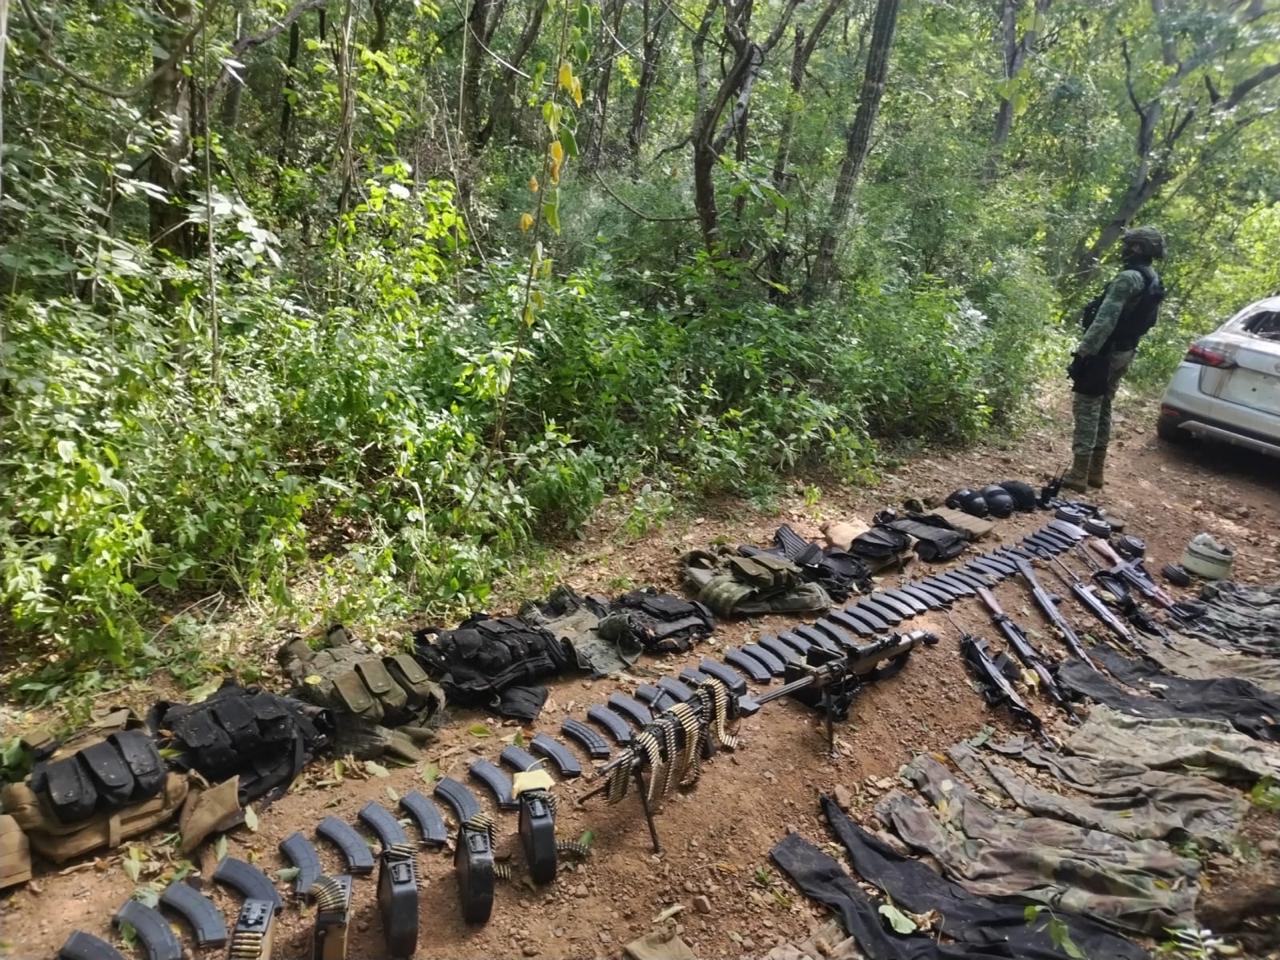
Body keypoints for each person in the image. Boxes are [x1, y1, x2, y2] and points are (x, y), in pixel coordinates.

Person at [1064, 226, 1166, 491]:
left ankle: (1078, 474)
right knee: (1104, 406)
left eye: (1129, 244)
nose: (1124, 248)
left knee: (1087, 407)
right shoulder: (1152, 277)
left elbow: (1104, 321)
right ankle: (1095, 473)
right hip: (1125, 351)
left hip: (1105, 353)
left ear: (1138, 248)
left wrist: (1084, 353)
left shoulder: (1129, 278)